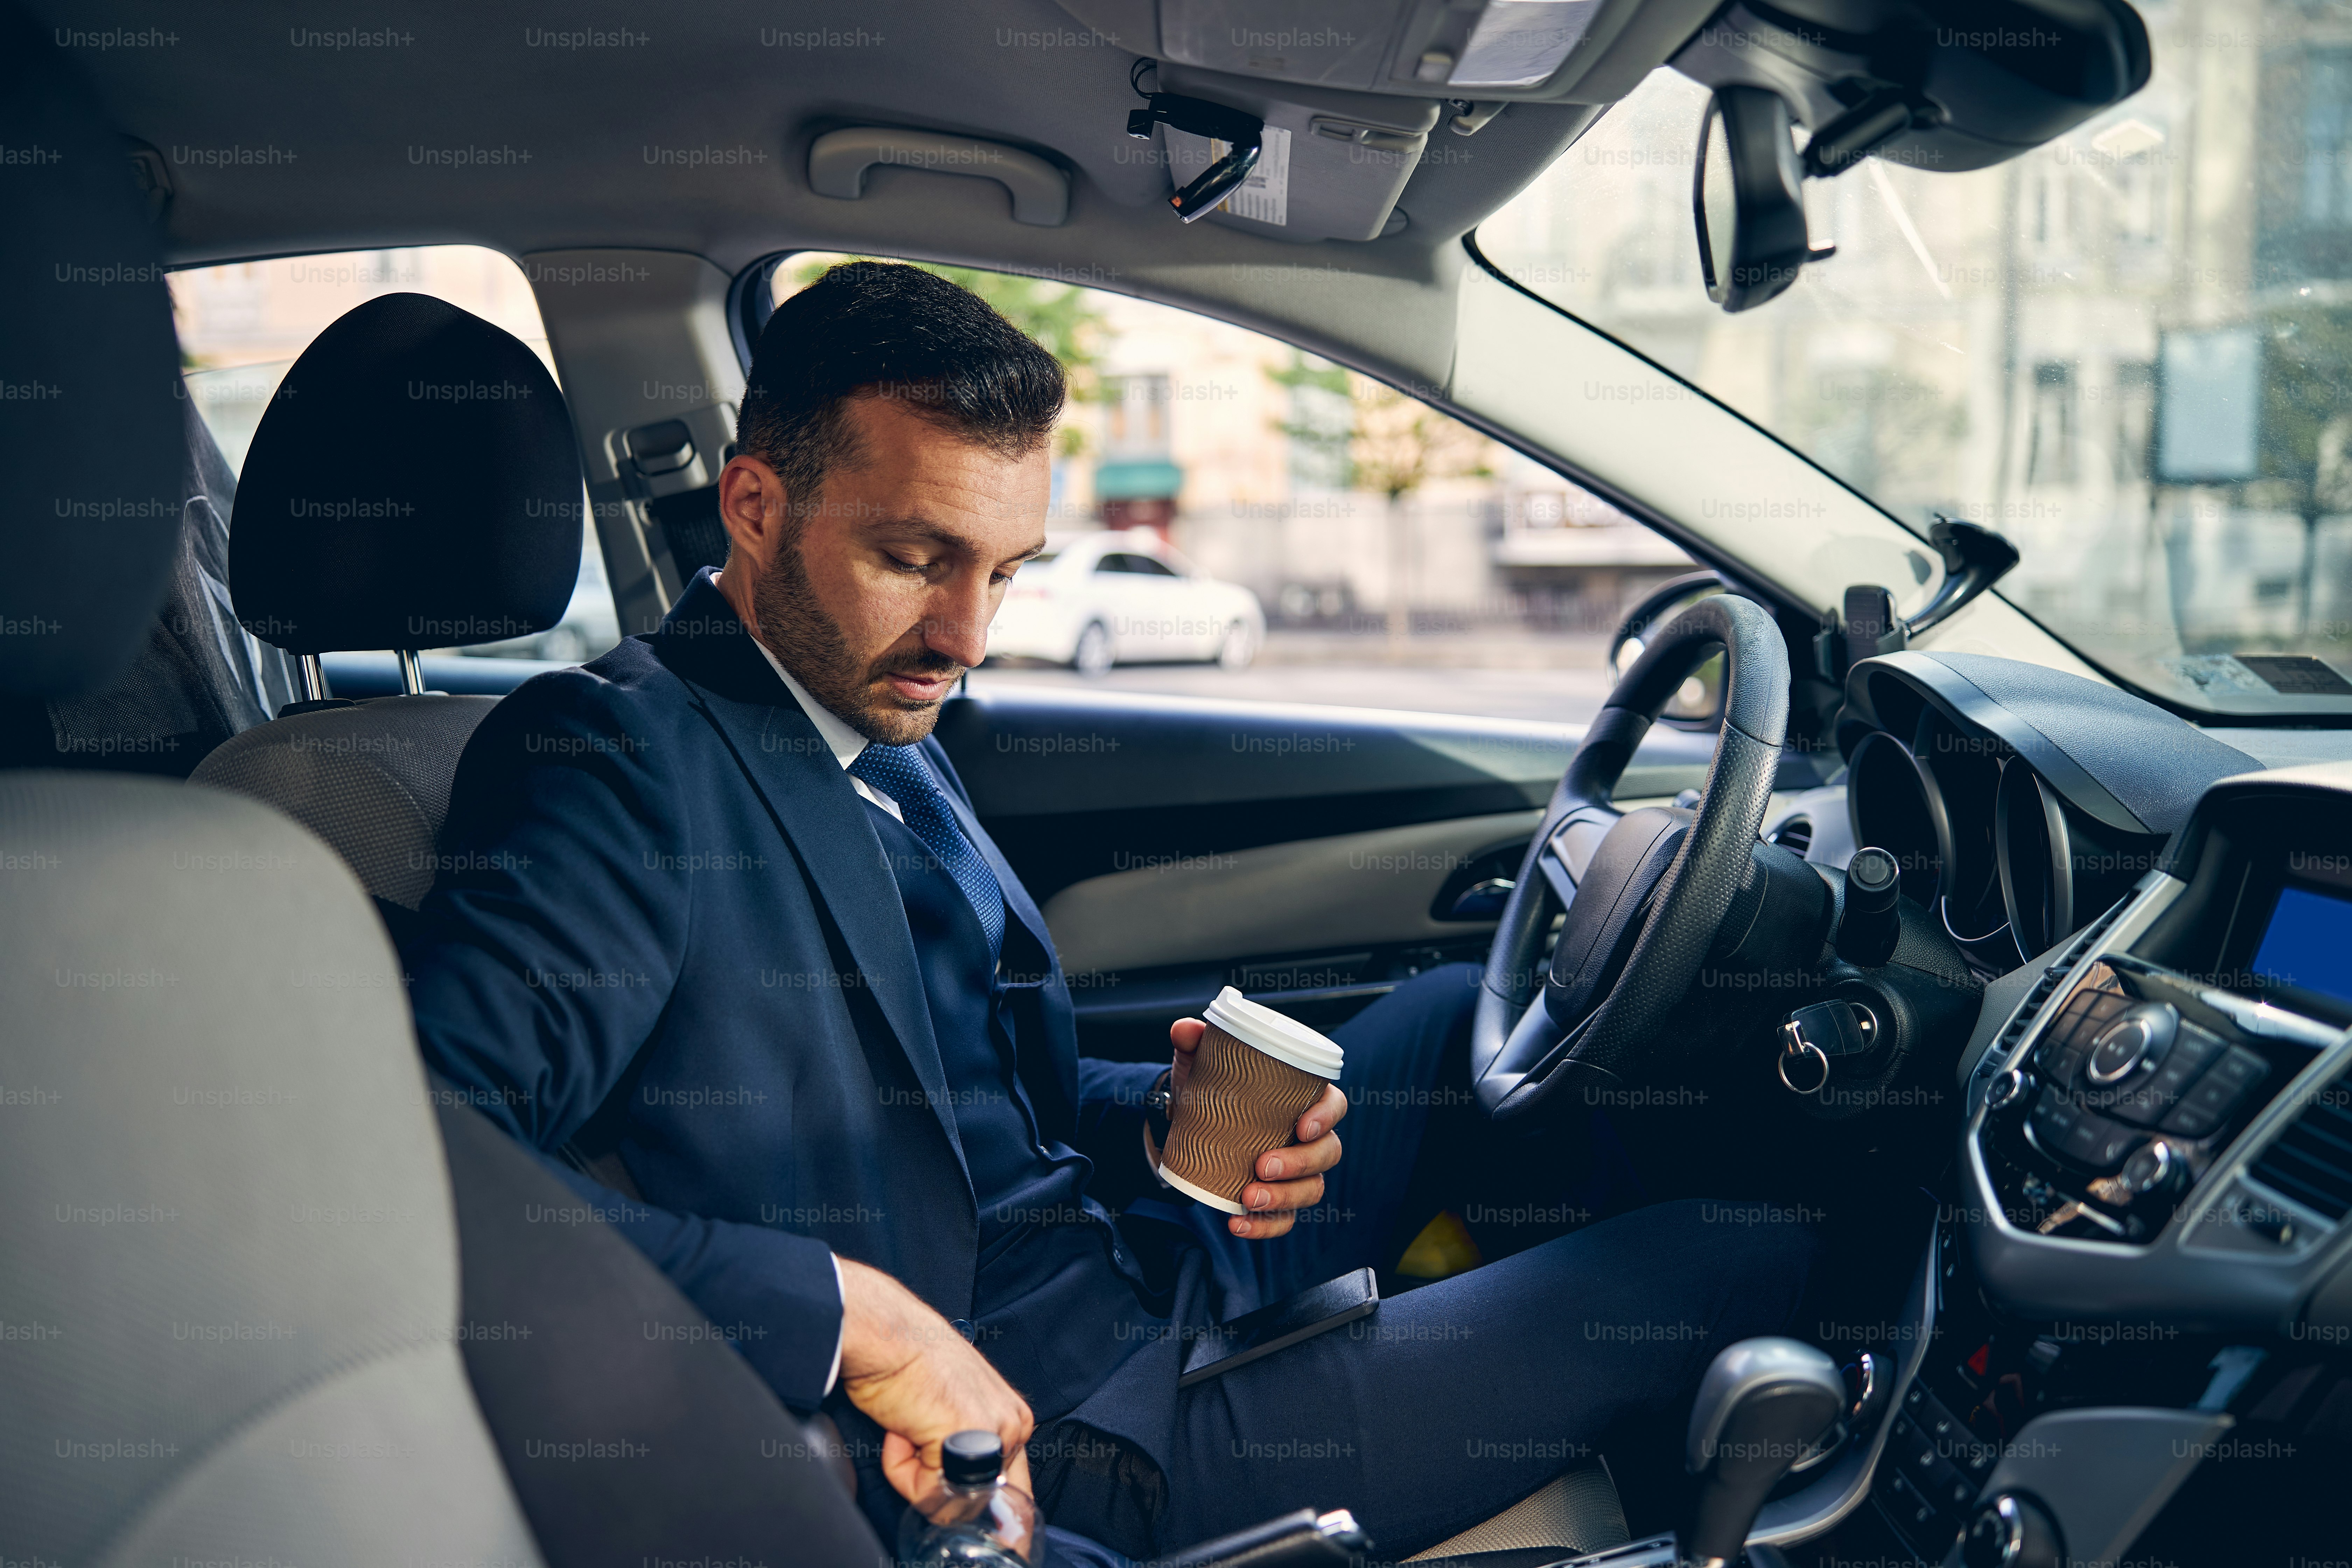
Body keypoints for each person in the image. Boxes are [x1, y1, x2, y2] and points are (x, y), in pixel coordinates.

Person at [402, 261, 1814, 1560]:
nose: (969, 635)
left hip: (1134, 1261)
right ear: (757, 507)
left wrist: (1157, 1121)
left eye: (1005, 570)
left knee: (1455, 1022)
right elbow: (418, 1155)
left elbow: (964, 1092)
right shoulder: (615, 761)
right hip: (1064, 1423)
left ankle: (1626, 1450)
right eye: (917, 558)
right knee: (1742, 1249)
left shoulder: (868, 705)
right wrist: (844, 1315)